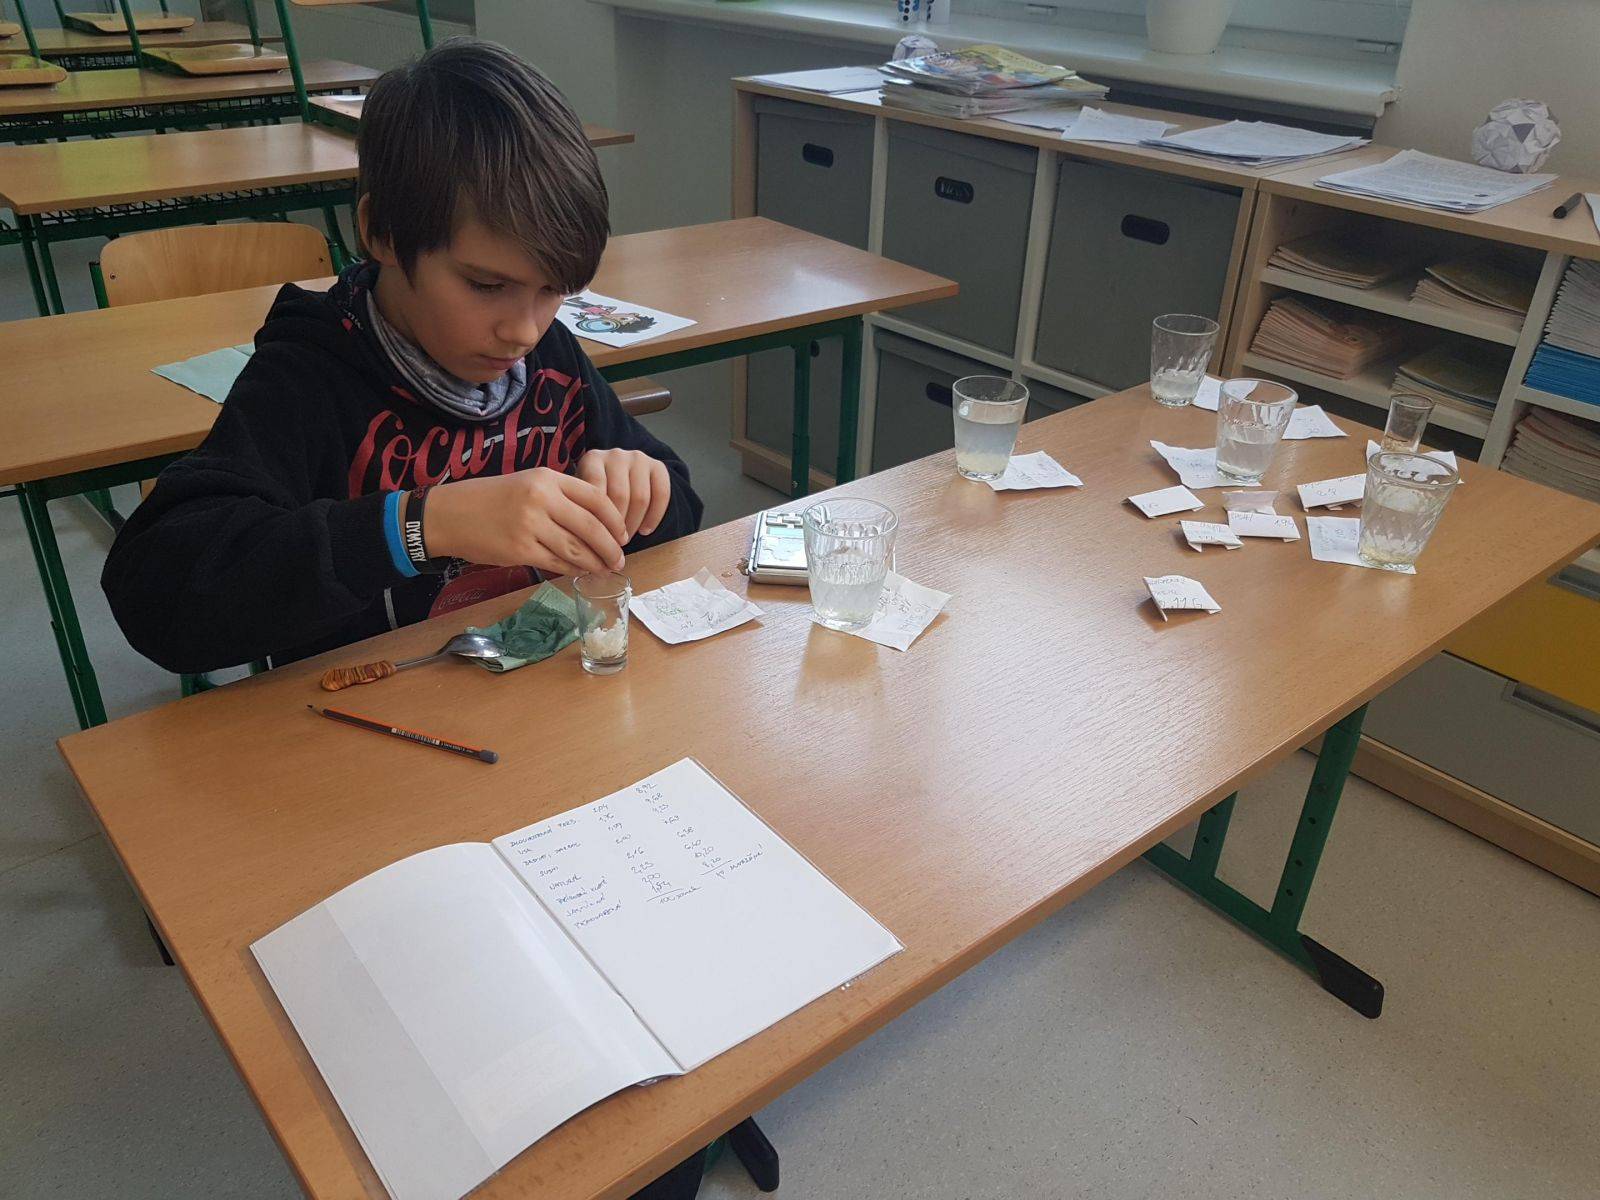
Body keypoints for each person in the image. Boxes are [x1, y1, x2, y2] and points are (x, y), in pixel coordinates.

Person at [102, 39, 703, 679]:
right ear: (382, 233)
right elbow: (156, 596)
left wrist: (642, 490)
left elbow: (680, 520)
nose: (524, 329)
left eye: (554, 290)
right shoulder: (308, 379)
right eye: (485, 285)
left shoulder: (548, 357)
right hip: (361, 707)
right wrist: (417, 524)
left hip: (529, 699)